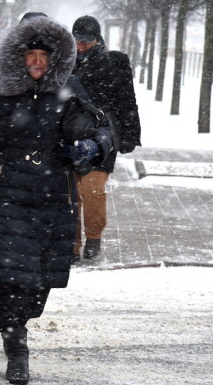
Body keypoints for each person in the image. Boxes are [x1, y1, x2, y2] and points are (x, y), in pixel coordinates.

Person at [0, 16, 112, 384]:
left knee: (39, 283)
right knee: (8, 279)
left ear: (55, 60)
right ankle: (16, 348)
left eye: (43, 56)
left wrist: (88, 146)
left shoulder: (70, 88)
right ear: (18, 57)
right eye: (30, 55)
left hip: (54, 198)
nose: (37, 62)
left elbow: (103, 131)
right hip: (4, 195)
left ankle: (21, 320)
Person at [71, 15, 142, 261]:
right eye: (77, 40)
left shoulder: (115, 62)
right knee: (70, 192)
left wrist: (131, 133)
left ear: (97, 38)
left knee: (92, 189)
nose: (81, 45)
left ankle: (93, 236)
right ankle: (71, 244)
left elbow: (127, 100)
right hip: (69, 134)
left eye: (86, 41)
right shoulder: (65, 62)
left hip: (102, 136)